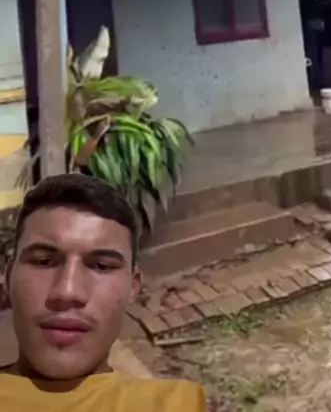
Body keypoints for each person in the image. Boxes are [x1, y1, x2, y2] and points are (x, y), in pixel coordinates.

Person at [0, 172, 207, 410]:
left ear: (132, 288)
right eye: (44, 261)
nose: (67, 292)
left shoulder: (171, 404)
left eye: (101, 266)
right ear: (9, 278)